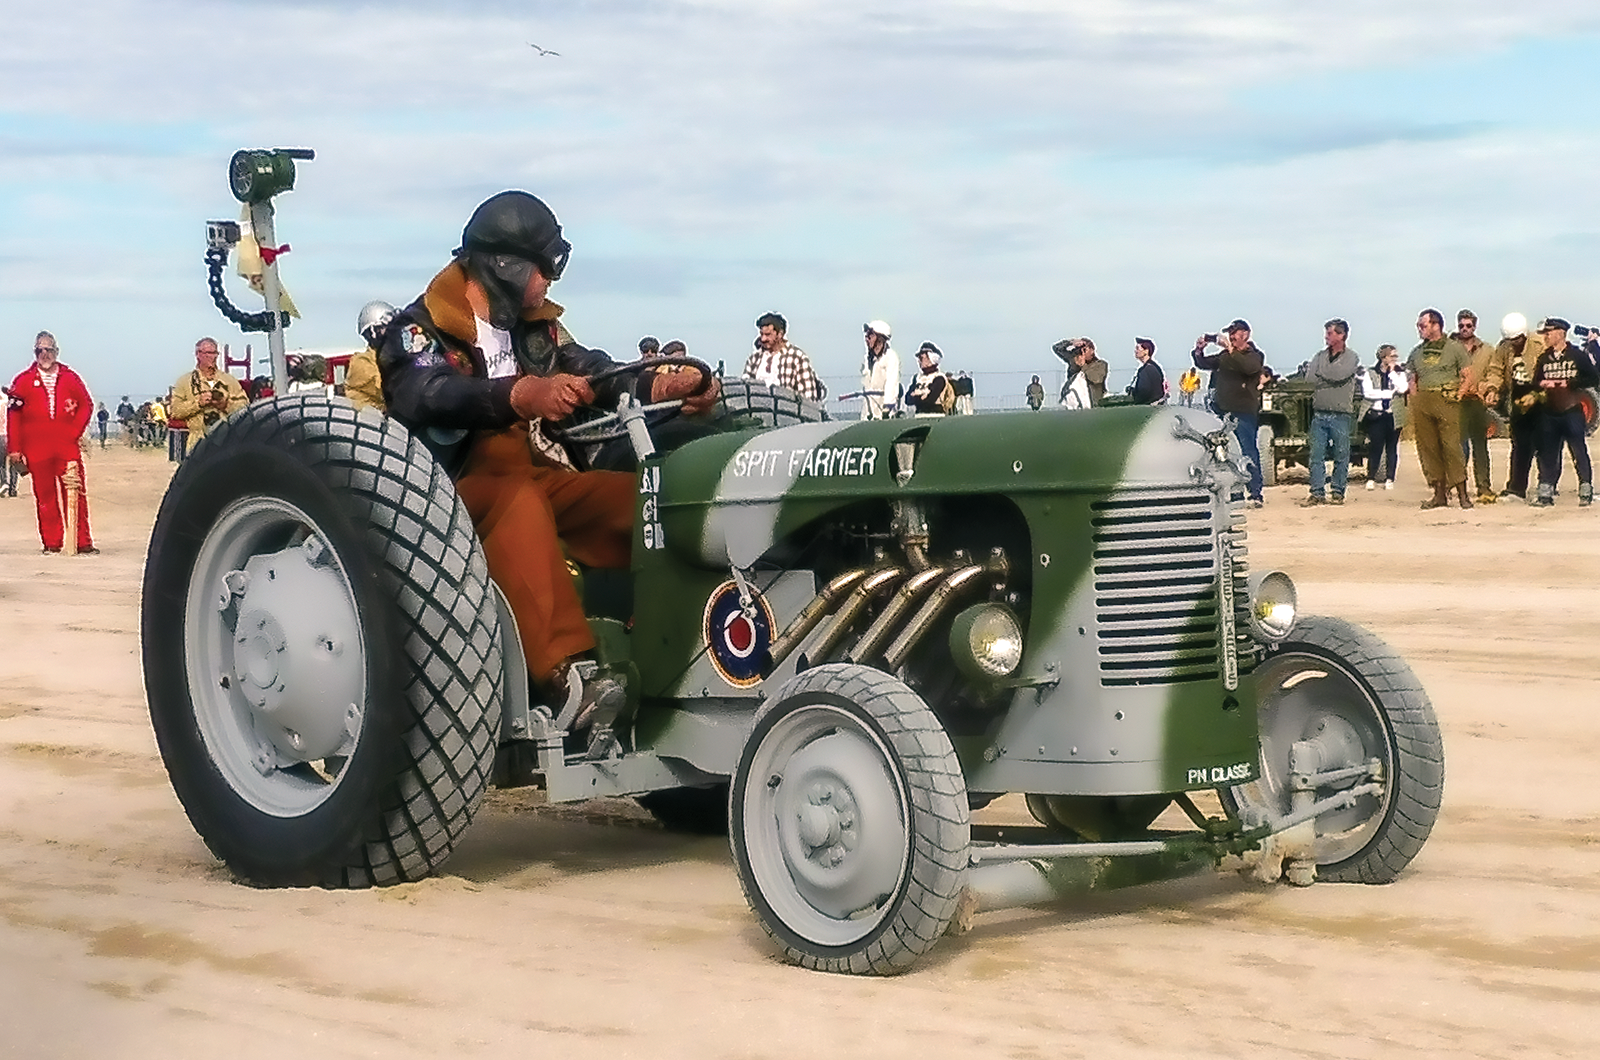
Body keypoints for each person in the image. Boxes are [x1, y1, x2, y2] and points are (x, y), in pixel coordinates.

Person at [378, 189, 719, 719]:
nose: (550, 281)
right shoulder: (417, 330)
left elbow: (591, 369)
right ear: (506, 265)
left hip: (530, 474)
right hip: (442, 494)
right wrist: (519, 394)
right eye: (546, 266)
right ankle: (567, 676)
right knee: (519, 504)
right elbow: (426, 394)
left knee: (638, 503)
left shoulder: (535, 327)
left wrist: (663, 386)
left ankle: (680, 637)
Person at [5, 331, 95, 554]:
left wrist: (74, 432)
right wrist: (15, 448)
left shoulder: (71, 377)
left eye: (48, 349)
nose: (44, 354)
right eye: (39, 350)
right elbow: (14, 416)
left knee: (75, 493)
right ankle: (52, 542)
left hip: (67, 447)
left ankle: (81, 541)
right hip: (37, 449)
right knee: (45, 497)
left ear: (57, 351)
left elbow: (86, 405)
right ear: (35, 352)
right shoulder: (22, 381)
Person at [1406, 308, 1475, 510]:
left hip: (1447, 400)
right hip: (1423, 402)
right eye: (1419, 326)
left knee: (1452, 447)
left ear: (1436, 325)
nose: (1419, 329)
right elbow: (1412, 377)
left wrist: (1459, 394)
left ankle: (1462, 494)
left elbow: (1468, 375)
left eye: (1423, 325)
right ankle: (1438, 494)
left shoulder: (1454, 348)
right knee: (1428, 448)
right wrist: (1414, 397)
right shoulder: (1417, 352)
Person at [1192, 319, 1267, 507]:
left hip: (1243, 411)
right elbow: (1204, 363)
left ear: (1246, 334)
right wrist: (1199, 350)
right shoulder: (1226, 355)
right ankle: (1234, 492)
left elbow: (1249, 368)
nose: (1231, 337)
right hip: (1223, 411)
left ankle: (1255, 492)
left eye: (1235, 333)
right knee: (1226, 452)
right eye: (1230, 333)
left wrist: (1231, 350)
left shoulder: (1255, 355)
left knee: (1247, 450)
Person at [1529, 317, 1598, 507]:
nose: (1546, 337)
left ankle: (1585, 487)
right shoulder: (1544, 358)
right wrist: (1542, 385)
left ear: (1561, 333)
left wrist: (1569, 383)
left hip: (1572, 410)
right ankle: (1546, 490)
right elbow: (1536, 382)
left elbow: (1593, 378)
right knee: (1548, 452)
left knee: (1578, 449)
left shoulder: (1577, 356)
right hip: (1549, 412)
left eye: (1549, 333)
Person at [1300, 319, 1360, 507]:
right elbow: (1310, 379)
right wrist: (1325, 377)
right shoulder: (1319, 356)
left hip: (1341, 414)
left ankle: (1337, 491)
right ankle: (1317, 492)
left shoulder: (1352, 357)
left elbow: (1340, 375)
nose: (1326, 337)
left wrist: (1322, 375)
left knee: (1341, 455)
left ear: (1341, 335)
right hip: (1319, 414)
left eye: (1330, 333)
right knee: (1316, 456)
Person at [1452, 309, 1503, 504]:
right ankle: (1456, 487)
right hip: (1456, 402)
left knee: (1481, 448)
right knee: (1458, 448)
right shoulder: (1450, 348)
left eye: (1469, 325)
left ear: (1475, 326)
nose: (1465, 329)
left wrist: (1488, 388)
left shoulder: (1487, 349)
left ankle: (1484, 487)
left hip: (1478, 403)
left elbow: (1494, 372)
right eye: (1462, 325)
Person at [170, 337, 249, 459]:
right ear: (198, 355)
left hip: (225, 443)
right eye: (208, 353)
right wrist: (198, 403)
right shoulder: (185, 382)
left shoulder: (229, 381)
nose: (212, 357)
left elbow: (245, 408)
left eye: (214, 353)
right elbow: (175, 411)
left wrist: (225, 405)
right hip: (197, 444)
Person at [743, 312, 825, 401]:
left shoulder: (797, 359)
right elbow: (744, 392)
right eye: (761, 334)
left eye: (768, 335)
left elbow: (808, 400)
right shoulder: (754, 359)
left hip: (787, 412)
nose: (763, 339)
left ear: (780, 334)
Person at [1359, 345, 1407, 491]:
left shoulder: (1399, 373)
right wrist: (1387, 394)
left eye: (1395, 357)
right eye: (1392, 356)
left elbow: (1402, 389)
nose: (1394, 359)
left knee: (1392, 448)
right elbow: (1368, 393)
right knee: (1376, 447)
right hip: (1377, 414)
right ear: (1383, 357)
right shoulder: (1370, 373)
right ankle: (1371, 477)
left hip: (1393, 415)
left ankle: (1390, 478)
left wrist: (1392, 373)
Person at [345, 300, 395, 414]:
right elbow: (363, 401)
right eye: (383, 328)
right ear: (372, 332)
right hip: (385, 424)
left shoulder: (407, 353)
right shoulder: (363, 363)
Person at [858, 320, 900, 420]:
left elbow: (892, 383)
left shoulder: (890, 357)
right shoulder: (867, 359)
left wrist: (887, 408)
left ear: (880, 338)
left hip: (884, 414)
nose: (866, 340)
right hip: (868, 414)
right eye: (866, 336)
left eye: (870, 336)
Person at [1052, 338, 1106, 406]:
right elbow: (1056, 348)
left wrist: (1083, 366)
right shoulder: (1074, 361)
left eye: (1085, 349)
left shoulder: (1100, 365)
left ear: (1092, 350)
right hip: (1073, 401)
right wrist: (1071, 342)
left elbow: (1095, 379)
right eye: (1079, 349)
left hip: (1093, 404)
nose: (1082, 353)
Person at [904, 342, 953, 414]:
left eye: (922, 358)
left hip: (936, 416)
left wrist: (916, 395)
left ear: (932, 358)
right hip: (919, 415)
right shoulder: (917, 378)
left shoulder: (939, 378)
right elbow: (907, 400)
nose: (919, 361)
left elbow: (930, 400)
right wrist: (923, 396)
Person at [1128, 337, 1165, 405]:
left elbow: (1144, 391)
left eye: (1137, 348)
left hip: (1149, 406)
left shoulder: (1147, 369)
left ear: (1146, 351)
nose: (1135, 351)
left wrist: (1133, 392)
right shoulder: (1154, 367)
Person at [1060, 344, 1093, 410]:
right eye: (1076, 355)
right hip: (1072, 390)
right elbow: (1057, 348)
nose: (1079, 358)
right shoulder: (1072, 382)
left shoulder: (1091, 369)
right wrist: (1072, 342)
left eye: (1081, 355)